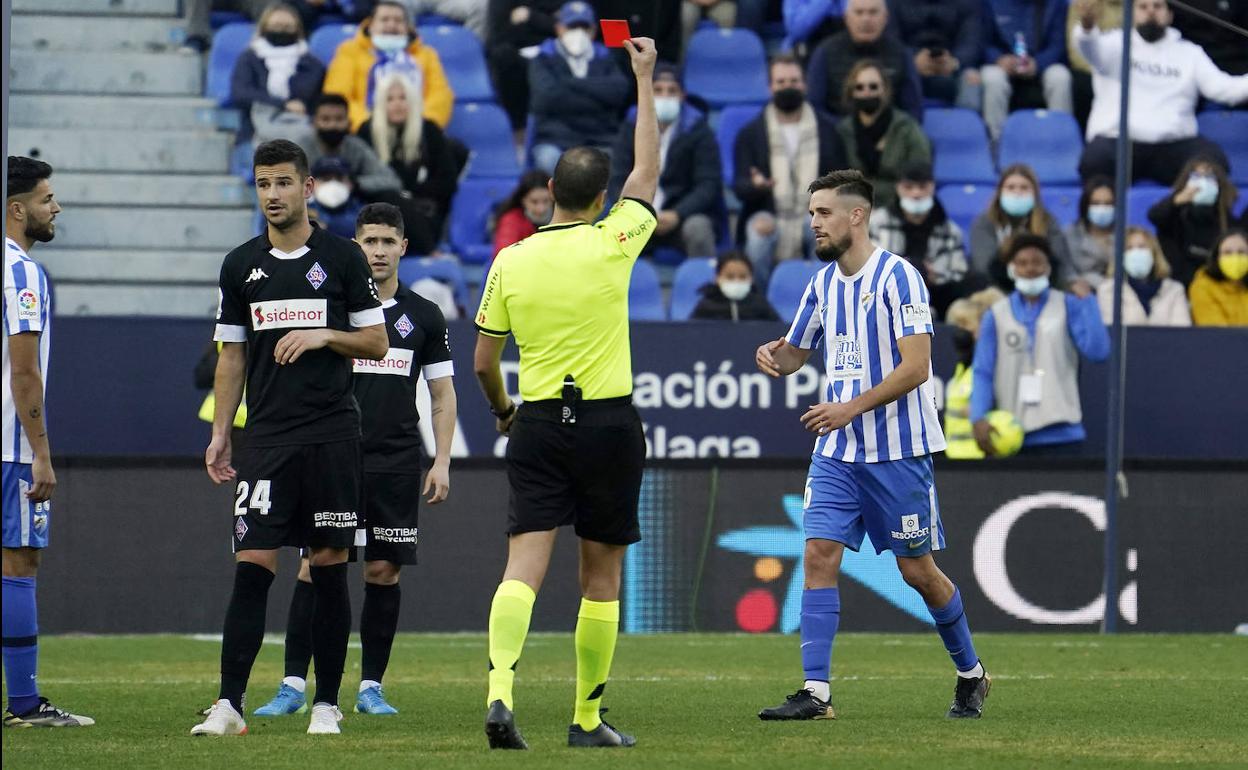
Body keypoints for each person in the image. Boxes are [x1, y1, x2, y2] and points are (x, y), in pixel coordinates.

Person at [473, 35, 659, 751]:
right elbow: (649, 165)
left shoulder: (510, 259)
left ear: (549, 193)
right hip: (609, 422)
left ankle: (500, 694)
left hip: (539, 421)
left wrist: (502, 410)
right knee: (601, 571)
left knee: (524, 562)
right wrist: (643, 77)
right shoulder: (617, 239)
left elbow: (486, 359)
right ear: (602, 199)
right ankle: (585, 719)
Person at [753, 168, 991, 722]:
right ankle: (817, 693)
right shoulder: (822, 284)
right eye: (812, 213)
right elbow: (796, 354)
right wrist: (774, 357)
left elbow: (917, 368)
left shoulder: (900, 278)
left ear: (856, 216)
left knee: (917, 572)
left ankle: (971, 673)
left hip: (898, 452)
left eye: (823, 213)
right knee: (818, 553)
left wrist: (850, 407)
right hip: (838, 453)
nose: (814, 223)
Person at [191, 139, 388, 737]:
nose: (272, 194)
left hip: (331, 435)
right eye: (262, 183)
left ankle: (326, 703)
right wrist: (223, 431)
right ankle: (230, 705)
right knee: (252, 563)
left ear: (307, 188)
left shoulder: (344, 258)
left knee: (328, 564)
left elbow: (376, 343)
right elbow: (231, 355)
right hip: (268, 438)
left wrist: (325, 336)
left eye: (282, 182)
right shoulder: (239, 265)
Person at [250, 202, 457, 718]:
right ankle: (294, 685)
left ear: (404, 247)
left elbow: (442, 394)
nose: (380, 251)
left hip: (394, 460)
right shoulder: (336, 312)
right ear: (355, 247)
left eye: (389, 241)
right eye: (370, 242)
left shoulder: (424, 316)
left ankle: (370, 688)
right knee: (313, 567)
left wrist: (443, 460)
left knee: (384, 572)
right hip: (333, 456)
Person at [2, 158, 93, 729]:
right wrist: (41, 449)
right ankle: (25, 704)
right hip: (9, 446)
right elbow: (26, 371)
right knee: (19, 562)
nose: (55, 207)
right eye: (46, 198)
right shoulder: (21, 273)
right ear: (18, 209)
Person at [1073, 0, 1248, 186]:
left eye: (1157, 6)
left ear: (1170, 15)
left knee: (1214, 162)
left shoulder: (1190, 53)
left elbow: (1226, 90)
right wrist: (1087, 25)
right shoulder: (1114, 43)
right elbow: (1089, 47)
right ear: (1131, 14)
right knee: (1093, 160)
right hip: (1119, 142)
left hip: (1174, 144)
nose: (1151, 11)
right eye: (1143, 7)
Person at [970, 233, 1109, 457]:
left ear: (1049, 268)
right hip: (1011, 434)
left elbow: (1098, 352)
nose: (1030, 269)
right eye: (1022, 263)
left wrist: (1089, 304)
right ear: (1011, 269)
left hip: (1063, 433)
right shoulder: (995, 315)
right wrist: (978, 417)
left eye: (1037, 262)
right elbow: (983, 371)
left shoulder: (1068, 305)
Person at [734, 55, 848, 280]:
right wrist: (757, 187)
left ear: (805, 84)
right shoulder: (750, 134)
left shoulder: (828, 130)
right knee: (757, 235)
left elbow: (843, 182)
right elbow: (740, 186)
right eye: (781, 82)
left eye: (794, 81)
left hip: (815, 212)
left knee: (824, 229)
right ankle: (761, 304)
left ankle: (823, 301)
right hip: (768, 210)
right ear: (770, 87)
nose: (788, 87)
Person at [608, 63, 721, 259]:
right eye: (658, 90)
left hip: (680, 216)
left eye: (672, 91)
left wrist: (677, 213)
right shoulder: (630, 126)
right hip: (638, 216)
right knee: (610, 231)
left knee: (699, 229)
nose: (665, 96)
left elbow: (708, 184)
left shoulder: (699, 130)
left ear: (682, 96)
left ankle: (704, 285)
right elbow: (617, 178)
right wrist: (636, 213)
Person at [358, 73, 460, 244]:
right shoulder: (366, 132)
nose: (397, 104)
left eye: (403, 98)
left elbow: (448, 181)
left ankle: (428, 247)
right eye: (390, 99)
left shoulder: (429, 132)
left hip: (423, 212)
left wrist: (411, 194)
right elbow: (360, 179)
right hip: (378, 216)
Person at [529, 2, 631, 174]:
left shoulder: (606, 57)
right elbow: (546, 98)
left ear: (593, 31)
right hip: (556, 139)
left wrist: (569, 83)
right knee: (548, 162)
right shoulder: (544, 57)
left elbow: (618, 92)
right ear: (559, 28)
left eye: (584, 28)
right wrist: (597, 96)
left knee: (617, 167)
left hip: (602, 140)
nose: (578, 33)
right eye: (572, 26)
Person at [323, 0, 454, 132]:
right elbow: (338, 96)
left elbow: (440, 96)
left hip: (419, 131)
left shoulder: (427, 54)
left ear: (408, 27)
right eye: (384, 20)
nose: (391, 25)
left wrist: (422, 125)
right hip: (365, 131)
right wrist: (366, 125)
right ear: (371, 25)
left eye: (398, 21)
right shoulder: (349, 51)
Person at [868, 162, 969, 319]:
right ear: (898, 188)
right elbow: (867, 266)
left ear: (932, 187)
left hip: (936, 295)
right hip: (886, 294)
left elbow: (958, 273)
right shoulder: (877, 223)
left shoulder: (950, 230)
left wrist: (934, 275)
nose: (916, 194)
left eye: (922, 187)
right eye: (908, 187)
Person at [835, 60, 932, 211]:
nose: (866, 92)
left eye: (873, 87)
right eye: (859, 87)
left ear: (885, 90)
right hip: (852, 210)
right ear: (851, 92)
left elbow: (920, 173)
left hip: (900, 208)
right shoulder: (842, 131)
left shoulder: (906, 128)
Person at [806, 0, 923, 121]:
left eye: (873, 12)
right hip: (838, 134)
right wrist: (846, 131)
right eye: (859, 12)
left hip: (891, 135)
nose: (866, 19)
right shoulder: (825, 52)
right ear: (846, 18)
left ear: (885, 18)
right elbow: (814, 108)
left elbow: (913, 110)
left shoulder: (901, 54)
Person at [228, 2, 325, 144]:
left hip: (302, 131)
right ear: (264, 28)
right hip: (252, 130)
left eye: (288, 27)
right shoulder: (249, 58)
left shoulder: (311, 64)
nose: (281, 31)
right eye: (276, 26)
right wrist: (283, 104)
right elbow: (240, 94)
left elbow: (313, 97)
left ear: (298, 30)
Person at [969, 164, 1072, 292]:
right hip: (996, 289)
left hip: (1042, 287)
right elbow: (984, 267)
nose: (1017, 193)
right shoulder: (984, 222)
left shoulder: (1048, 221)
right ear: (999, 192)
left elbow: (1059, 264)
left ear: (1035, 193)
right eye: (1010, 187)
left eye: (1024, 188)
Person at [980, 0, 1072, 141]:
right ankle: (995, 146)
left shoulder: (1056, 4)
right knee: (993, 79)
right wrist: (998, 59)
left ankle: (1061, 143)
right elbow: (981, 40)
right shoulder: (990, 3)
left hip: (1040, 63)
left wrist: (1038, 63)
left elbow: (1058, 45)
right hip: (1002, 64)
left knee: (1060, 76)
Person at [1147, 157, 1239, 287]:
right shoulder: (1173, 217)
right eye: (1196, 177)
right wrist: (1177, 199)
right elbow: (1154, 216)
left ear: (1219, 184)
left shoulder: (1229, 222)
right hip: (1177, 287)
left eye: (1209, 177)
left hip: (1217, 288)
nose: (1203, 183)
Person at [943, 288, 1007, 459]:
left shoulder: (991, 369)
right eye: (955, 325)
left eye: (965, 325)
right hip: (954, 459)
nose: (959, 332)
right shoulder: (959, 370)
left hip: (983, 457)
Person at [888, 0, 983, 110]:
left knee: (971, 79)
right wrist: (912, 60)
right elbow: (890, 39)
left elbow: (972, 41)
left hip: (952, 66)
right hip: (907, 65)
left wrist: (954, 62)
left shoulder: (967, 3)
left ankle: (967, 125)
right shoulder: (894, 3)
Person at [486, 0, 564, 132]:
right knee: (504, 57)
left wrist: (531, 16)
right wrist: (549, 21)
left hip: (557, 49)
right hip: (516, 53)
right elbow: (499, 35)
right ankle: (517, 130)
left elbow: (569, 28)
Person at [1095, 227, 1192, 326]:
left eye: (1142, 247)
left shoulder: (1174, 290)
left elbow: (1181, 332)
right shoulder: (1109, 290)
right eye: (1129, 248)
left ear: (1154, 253)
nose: (1136, 253)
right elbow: (1111, 332)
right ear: (1120, 257)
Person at [1064, 0, 1122, 132]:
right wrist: (1100, 70)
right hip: (1092, 68)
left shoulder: (1140, 5)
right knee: (1080, 83)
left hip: (1127, 70)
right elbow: (1075, 50)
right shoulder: (1085, 3)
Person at [690, 251, 780, 321]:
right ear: (717, 278)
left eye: (743, 277)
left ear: (751, 278)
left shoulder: (760, 305)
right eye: (730, 277)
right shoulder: (706, 306)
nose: (737, 281)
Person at [1064, 176, 1116, 287]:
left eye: (1108, 203)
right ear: (1086, 205)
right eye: (1096, 203)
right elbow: (1066, 271)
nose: (1102, 209)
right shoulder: (1070, 234)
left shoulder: (1126, 235)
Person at [1189, 229, 1248, 326]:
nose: (1235, 257)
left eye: (1241, 252)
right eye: (1227, 253)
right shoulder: (1203, 287)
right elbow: (1217, 333)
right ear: (1217, 258)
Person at [494, 170, 552, 257]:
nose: (541, 209)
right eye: (534, 202)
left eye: (546, 201)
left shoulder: (563, 218)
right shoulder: (511, 221)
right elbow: (504, 257)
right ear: (523, 200)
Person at [307, 155, 365, 239]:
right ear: (312, 184)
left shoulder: (364, 212)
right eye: (325, 179)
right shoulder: (303, 211)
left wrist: (325, 227)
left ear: (351, 184)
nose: (333, 184)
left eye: (339, 179)